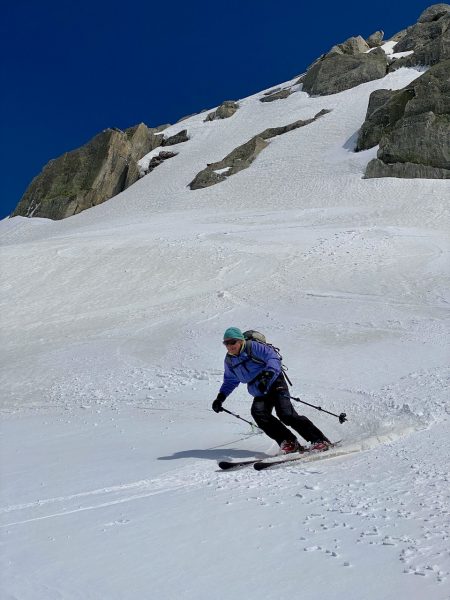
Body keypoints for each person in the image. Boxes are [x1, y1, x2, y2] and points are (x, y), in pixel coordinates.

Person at [212, 327, 330, 454]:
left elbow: (272, 358)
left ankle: (319, 440)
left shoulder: (253, 347)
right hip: (259, 389)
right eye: (226, 343)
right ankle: (289, 442)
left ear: (241, 341)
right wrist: (220, 398)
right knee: (259, 413)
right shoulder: (230, 360)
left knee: (286, 414)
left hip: (274, 381)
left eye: (232, 342)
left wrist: (268, 375)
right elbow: (230, 380)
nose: (229, 346)